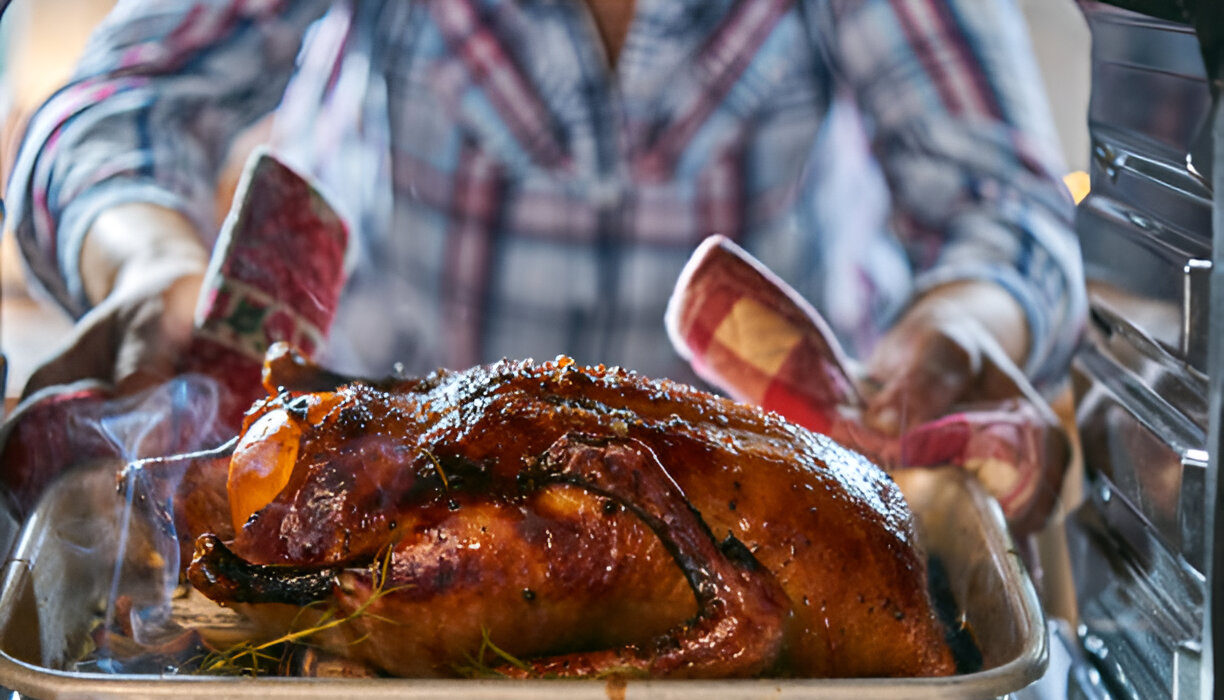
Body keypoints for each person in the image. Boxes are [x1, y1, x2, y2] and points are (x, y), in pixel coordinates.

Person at [5, 0, 1085, 438]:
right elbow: (110, 109)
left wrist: (959, 326)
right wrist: (151, 263)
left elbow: (1010, 209)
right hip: (387, 543)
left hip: (771, 556)